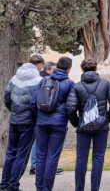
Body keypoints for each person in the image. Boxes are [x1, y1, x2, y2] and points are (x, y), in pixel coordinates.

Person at [66, 58, 110, 191]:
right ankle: (95, 188)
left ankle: (79, 188)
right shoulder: (105, 84)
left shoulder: (77, 86)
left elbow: (71, 108)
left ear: (82, 70)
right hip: (101, 126)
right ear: (96, 69)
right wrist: (108, 118)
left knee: (81, 158)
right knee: (98, 157)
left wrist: (76, 123)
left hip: (83, 126)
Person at [31, 56, 75, 191]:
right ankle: (46, 188)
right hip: (59, 123)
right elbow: (71, 106)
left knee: (41, 155)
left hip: (42, 121)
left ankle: (39, 187)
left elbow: (33, 101)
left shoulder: (44, 80)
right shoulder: (69, 83)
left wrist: (38, 116)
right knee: (52, 156)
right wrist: (70, 120)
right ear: (68, 69)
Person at [1, 62, 42, 191]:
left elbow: (7, 98)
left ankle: (4, 184)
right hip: (29, 122)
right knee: (22, 154)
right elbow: (38, 102)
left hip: (14, 120)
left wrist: (14, 111)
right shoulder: (38, 81)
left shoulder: (14, 79)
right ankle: (13, 185)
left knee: (11, 153)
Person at [29, 60, 59, 176]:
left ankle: (41, 166)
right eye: (54, 70)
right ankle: (35, 166)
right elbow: (34, 101)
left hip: (41, 116)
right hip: (42, 117)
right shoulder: (43, 81)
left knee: (40, 143)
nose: (56, 73)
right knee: (39, 143)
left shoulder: (44, 80)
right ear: (47, 70)